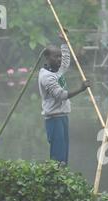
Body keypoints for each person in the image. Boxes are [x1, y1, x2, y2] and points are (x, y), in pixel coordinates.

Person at [38, 29, 91, 166]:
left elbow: (66, 62)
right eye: (56, 57)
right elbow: (61, 95)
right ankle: (55, 181)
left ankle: (62, 179)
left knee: (64, 155)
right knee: (58, 156)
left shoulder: (57, 70)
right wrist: (81, 88)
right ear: (47, 58)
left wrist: (64, 42)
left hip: (63, 117)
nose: (59, 59)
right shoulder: (46, 77)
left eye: (59, 56)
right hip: (54, 119)